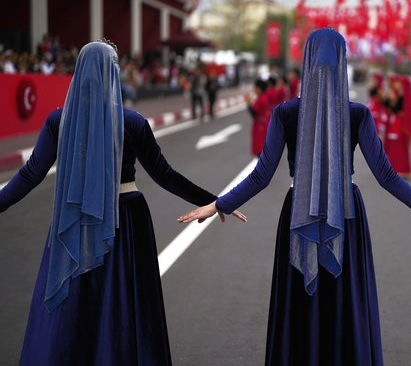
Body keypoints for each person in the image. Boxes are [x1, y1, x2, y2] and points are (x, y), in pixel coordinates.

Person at [178, 28, 411, 366]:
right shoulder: (357, 113)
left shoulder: (286, 113)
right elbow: (386, 177)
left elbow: (261, 176)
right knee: (345, 298)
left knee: (300, 301)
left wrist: (218, 205)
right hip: (346, 212)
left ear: (307, 60)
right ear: (344, 61)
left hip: (297, 211)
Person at [0, 41, 246, 366]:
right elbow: (164, 174)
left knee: (74, 302)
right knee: (122, 302)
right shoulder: (131, 122)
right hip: (125, 219)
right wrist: (216, 202)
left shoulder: (59, 121)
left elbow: (30, 174)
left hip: (73, 220)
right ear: (113, 74)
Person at [383, 75, 411, 178]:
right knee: (394, 147)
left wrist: (392, 101)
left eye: (398, 83)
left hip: (399, 126)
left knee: (400, 148)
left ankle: (402, 169)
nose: (395, 84)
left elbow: (398, 110)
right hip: (394, 124)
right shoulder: (398, 95)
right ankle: (393, 168)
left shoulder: (404, 97)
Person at [245, 78, 272, 156]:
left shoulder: (261, 98)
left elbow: (253, 112)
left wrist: (248, 103)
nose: (254, 90)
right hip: (264, 123)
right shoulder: (265, 96)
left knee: (260, 150)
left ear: (259, 88)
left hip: (260, 126)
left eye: (255, 88)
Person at [368, 71, 387, 138]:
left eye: (374, 79)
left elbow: (382, 101)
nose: (373, 81)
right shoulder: (373, 88)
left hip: (377, 114)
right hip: (372, 111)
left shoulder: (380, 90)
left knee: (375, 133)